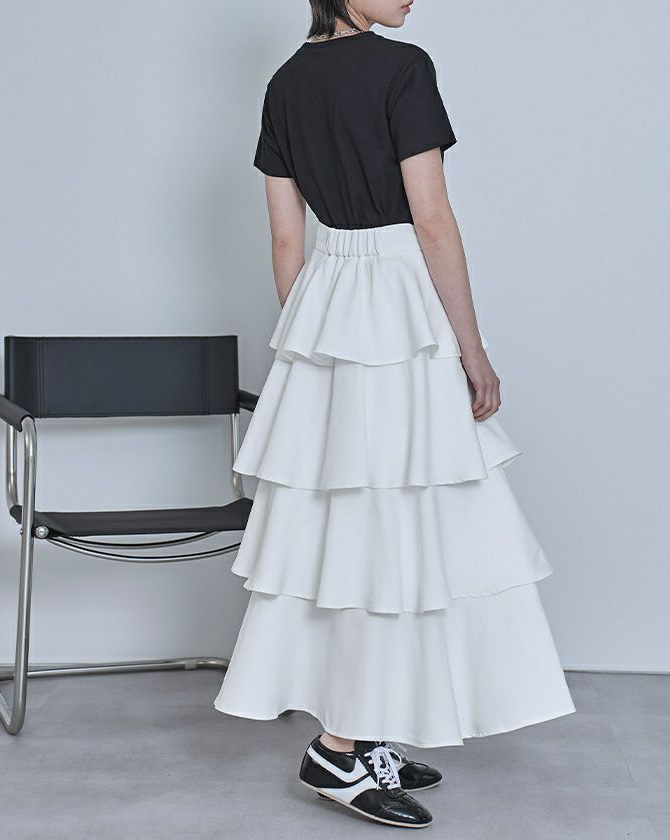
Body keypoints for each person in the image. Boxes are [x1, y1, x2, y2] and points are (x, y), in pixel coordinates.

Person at [214, 0, 576, 829]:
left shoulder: (284, 82)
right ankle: (337, 750)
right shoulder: (402, 69)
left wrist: (308, 347)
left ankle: (362, 724)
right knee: (397, 519)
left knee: (354, 524)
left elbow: (286, 241)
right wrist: (472, 349)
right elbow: (432, 218)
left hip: (326, 305)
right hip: (400, 302)